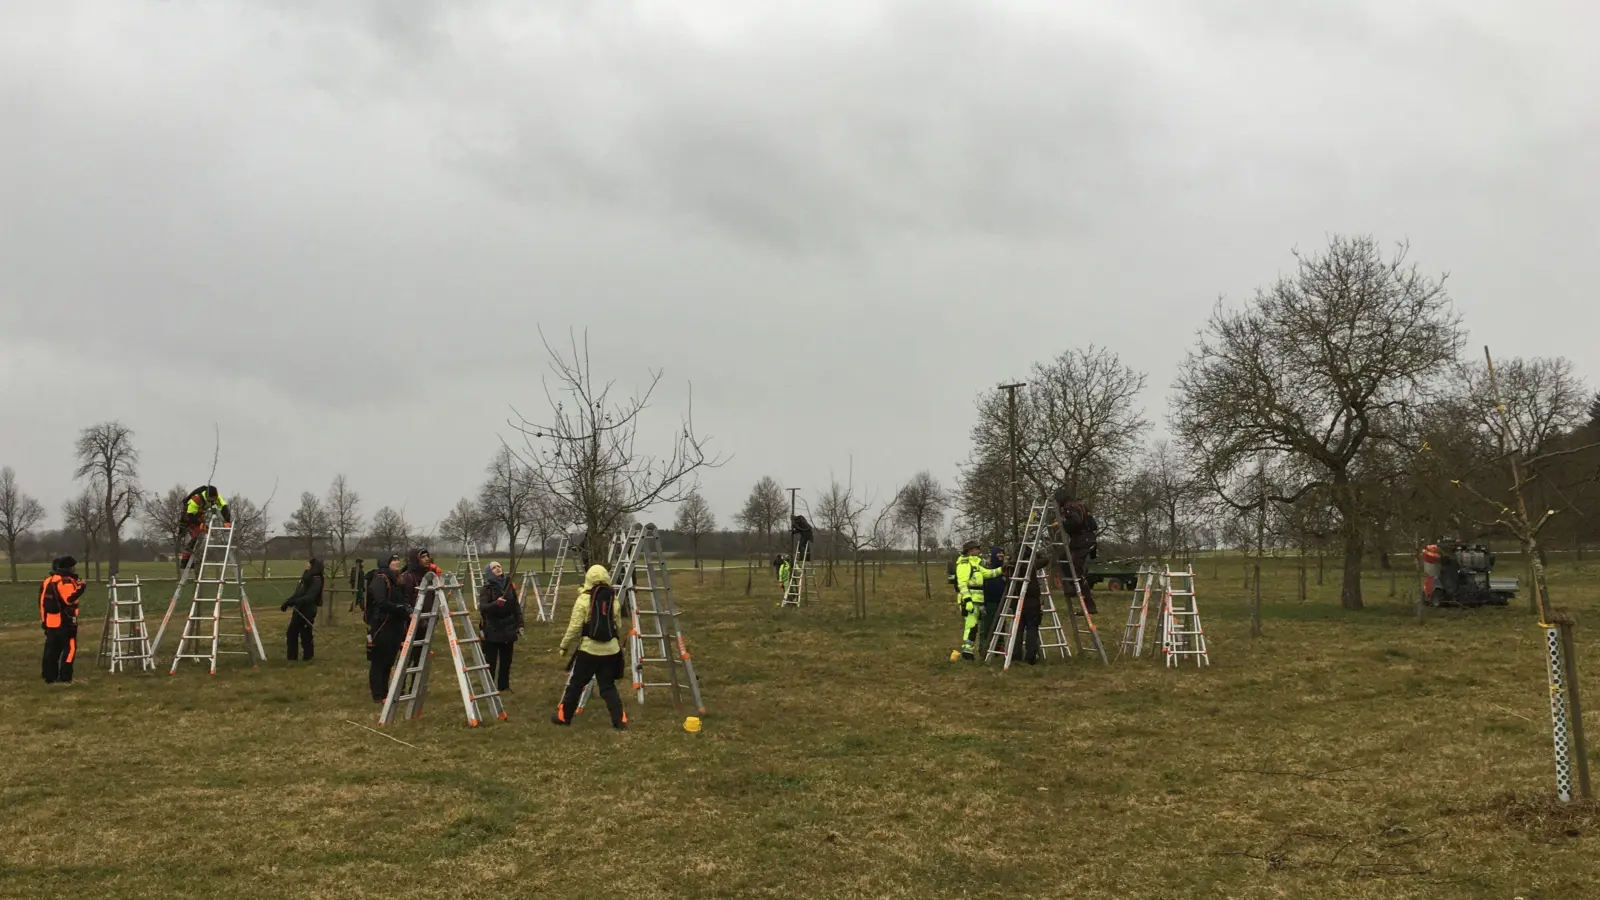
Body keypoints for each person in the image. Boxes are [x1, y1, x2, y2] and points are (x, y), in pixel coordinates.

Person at [552, 564, 627, 730]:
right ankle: (620, 720)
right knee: (608, 686)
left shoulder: (583, 600)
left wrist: (564, 646)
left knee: (576, 684)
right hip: (611, 650)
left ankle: (564, 717)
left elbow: (574, 627)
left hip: (588, 651)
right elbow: (618, 625)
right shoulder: (612, 599)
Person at [365, 554, 409, 702]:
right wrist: (399, 608)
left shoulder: (395, 579)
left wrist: (406, 607)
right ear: (385, 563)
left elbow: (400, 599)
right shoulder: (380, 579)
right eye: (393, 560)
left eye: (397, 559)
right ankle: (378, 695)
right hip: (382, 625)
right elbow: (381, 602)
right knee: (379, 661)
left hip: (395, 625)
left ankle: (386, 693)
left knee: (389, 660)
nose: (397, 562)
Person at [40, 556, 87, 685]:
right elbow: (69, 599)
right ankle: (65, 676)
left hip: (51, 621)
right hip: (65, 621)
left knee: (52, 650)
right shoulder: (65, 581)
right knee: (70, 648)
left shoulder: (49, 580)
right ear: (70, 567)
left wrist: (43, 620)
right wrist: (81, 587)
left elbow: (42, 603)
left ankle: (50, 676)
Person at [1052, 488, 1100, 614]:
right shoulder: (1080, 505)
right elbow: (1092, 524)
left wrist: (1062, 523)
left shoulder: (1070, 507)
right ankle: (1071, 587)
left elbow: (1076, 522)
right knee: (1064, 559)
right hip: (1085, 540)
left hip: (1082, 542)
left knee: (1077, 572)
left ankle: (1089, 605)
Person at [479, 561, 524, 693]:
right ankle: (489, 688)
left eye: (499, 566)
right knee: (491, 662)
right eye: (494, 568)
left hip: (509, 629)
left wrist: (520, 623)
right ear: (489, 572)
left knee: (506, 661)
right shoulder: (486, 588)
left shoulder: (509, 585)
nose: (498, 568)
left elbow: (516, 606)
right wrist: (495, 604)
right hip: (492, 629)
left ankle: (503, 687)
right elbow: (483, 607)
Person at [954, 540, 1003, 660]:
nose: (979, 551)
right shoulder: (965, 564)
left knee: (974, 626)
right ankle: (967, 651)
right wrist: (967, 600)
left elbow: (988, 573)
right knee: (971, 626)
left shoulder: (976, 564)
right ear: (970, 551)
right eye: (977, 549)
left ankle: (968, 651)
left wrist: (1002, 569)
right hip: (970, 600)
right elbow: (962, 584)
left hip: (977, 599)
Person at [279, 558, 324, 661]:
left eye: (308, 563)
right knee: (291, 633)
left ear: (313, 566)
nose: (306, 564)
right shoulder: (305, 578)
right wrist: (288, 602)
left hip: (308, 610)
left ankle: (308, 656)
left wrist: (295, 602)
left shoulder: (316, 579)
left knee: (305, 634)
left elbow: (310, 597)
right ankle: (292, 657)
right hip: (299, 609)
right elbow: (298, 593)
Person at [178, 485, 232, 571]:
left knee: (202, 536)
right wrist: (199, 523)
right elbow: (190, 515)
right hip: (189, 517)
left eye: (214, 499)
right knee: (197, 535)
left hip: (199, 516)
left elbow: (224, 507)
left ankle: (191, 559)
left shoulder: (217, 497)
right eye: (211, 499)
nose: (213, 501)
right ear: (207, 496)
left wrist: (227, 521)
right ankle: (185, 560)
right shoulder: (196, 499)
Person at [979, 545, 1008, 653]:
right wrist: (982, 603)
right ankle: (984, 648)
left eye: (1002, 553)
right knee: (987, 626)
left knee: (1001, 625)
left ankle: (999, 647)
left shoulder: (1005, 569)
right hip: (989, 603)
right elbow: (982, 587)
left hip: (1002, 602)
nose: (1001, 555)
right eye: (998, 553)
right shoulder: (988, 569)